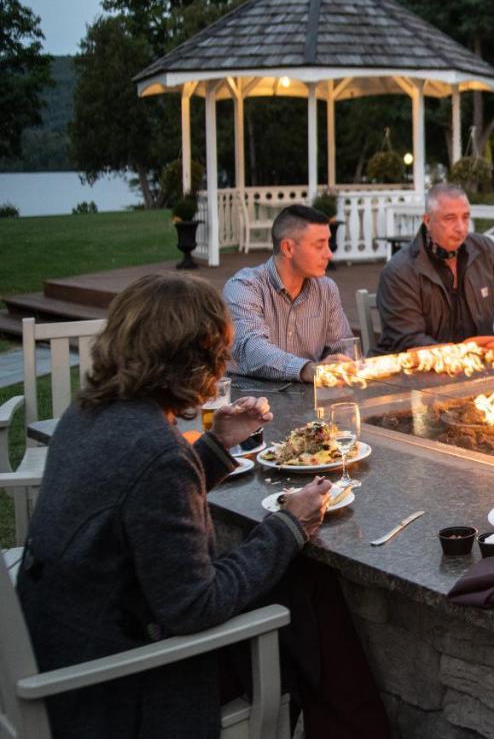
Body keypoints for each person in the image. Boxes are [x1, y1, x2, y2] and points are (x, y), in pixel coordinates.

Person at [16, 272, 332, 738]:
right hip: (115, 688)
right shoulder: (158, 453)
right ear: (195, 360)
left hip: (65, 638)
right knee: (313, 606)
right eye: (219, 352)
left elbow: (138, 501)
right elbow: (195, 605)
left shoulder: (89, 411)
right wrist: (289, 525)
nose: (224, 364)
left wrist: (215, 445)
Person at [376, 182, 494, 352]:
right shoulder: (400, 271)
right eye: (450, 218)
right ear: (427, 220)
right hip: (415, 372)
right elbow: (409, 341)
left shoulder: (484, 250)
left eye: (465, 217)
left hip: (482, 368)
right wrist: (469, 357)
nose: (461, 227)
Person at [224, 204, 355, 382]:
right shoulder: (244, 287)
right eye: (319, 246)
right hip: (248, 397)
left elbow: (341, 347)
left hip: (308, 398)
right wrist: (306, 370)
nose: (329, 254)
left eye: (328, 244)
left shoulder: (326, 289)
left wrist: (342, 363)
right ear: (287, 248)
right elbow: (251, 349)